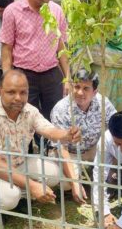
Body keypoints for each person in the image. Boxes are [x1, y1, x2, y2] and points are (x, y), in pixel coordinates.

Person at [0, 70, 81, 224]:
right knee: (9, 197)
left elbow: (48, 129)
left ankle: (21, 196)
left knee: (54, 174)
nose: (18, 98)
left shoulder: (29, 111)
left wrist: (66, 135)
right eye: (11, 92)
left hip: (18, 162)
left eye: (23, 92)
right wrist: (33, 186)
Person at [0, 0, 69, 124]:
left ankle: (51, 149)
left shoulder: (56, 11)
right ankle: (27, 149)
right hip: (24, 74)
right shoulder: (12, 11)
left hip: (51, 75)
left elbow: (61, 47)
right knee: (23, 118)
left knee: (54, 117)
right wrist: (7, 79)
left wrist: (68, 78)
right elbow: (7, 49)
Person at [50, 69, 116, 203]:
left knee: (119, 147)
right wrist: (75, 182)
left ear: (95, 92)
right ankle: (76, 181)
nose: (80, 92)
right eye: (77, 87)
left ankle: (105, 175)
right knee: (66, 184)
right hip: (71, 152)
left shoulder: (103, 102)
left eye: (86, 88)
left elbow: (115, 127)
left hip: (94, 148)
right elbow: (61, 148)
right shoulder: (61, 109)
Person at [91, 25, 122, 111]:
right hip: (98, 79)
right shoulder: (93, 29)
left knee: (116, 116)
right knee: (98, 111)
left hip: (119, 82)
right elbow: (85, 54)